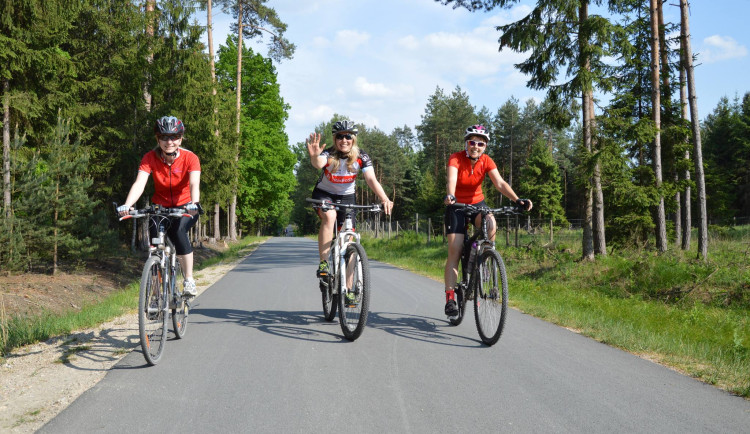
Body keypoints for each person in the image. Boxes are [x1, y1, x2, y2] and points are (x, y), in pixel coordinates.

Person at [443, 124, 532, 317]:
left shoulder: (486, 161)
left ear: (485, 147)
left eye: (480, 144)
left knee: (491, 224)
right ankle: (450, 298)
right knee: (455, 249)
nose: (476, 146)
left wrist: (517, 200)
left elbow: (499, 183)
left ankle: (485, 266)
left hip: (477, 204)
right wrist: (450, 196)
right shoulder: (455, 158)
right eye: (472, 142)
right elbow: (452, 180)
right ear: (466, 143)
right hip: (456, 205)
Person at [117, 116, 202, 297]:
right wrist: (127, 204)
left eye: (174, 137)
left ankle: (188, 280)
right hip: (160, 208)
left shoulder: (190, 158)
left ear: (180, 138)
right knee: (154, 248)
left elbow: (194, 183)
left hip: (185, 208)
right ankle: (156, 294)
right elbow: (140, 183)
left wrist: (194, 203)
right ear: (158, 139)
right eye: (164, 137)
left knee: (179, 233)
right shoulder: (150, 158)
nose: (169, 142)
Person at [306, 120, 393, 278]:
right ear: (335, 139)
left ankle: (349, 291)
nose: (344, 140)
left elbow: (371, 179)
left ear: (353, 139)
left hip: (347, 197)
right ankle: (324, 262)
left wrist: (385, 199)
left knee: (348, 240)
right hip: (324, 194)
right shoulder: (330, 154)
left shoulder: (361, 156)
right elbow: (319, 163)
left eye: (348, 136)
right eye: (340, 137)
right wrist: (314, 156)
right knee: (330, 216)